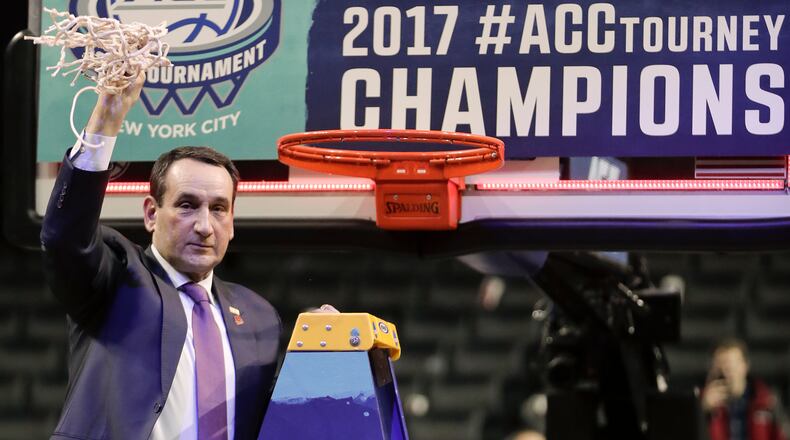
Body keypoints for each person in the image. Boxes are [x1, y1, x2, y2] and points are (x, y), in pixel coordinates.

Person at [41, 73, 281, 439]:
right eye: (187, 205)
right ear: (152, 213)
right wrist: (106, 119)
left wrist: (328, 346)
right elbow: (66, 239)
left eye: (219, 209)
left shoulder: (259, 315)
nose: (204, 225)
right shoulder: (116, 278)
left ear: (232, 222)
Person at [701, 338, 787, 440]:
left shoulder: (767, 399)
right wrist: (702, 410)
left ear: (745, 365)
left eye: (730, 364)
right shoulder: (702, 402)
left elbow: (782, 435)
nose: (724, 371)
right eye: (719, 365)